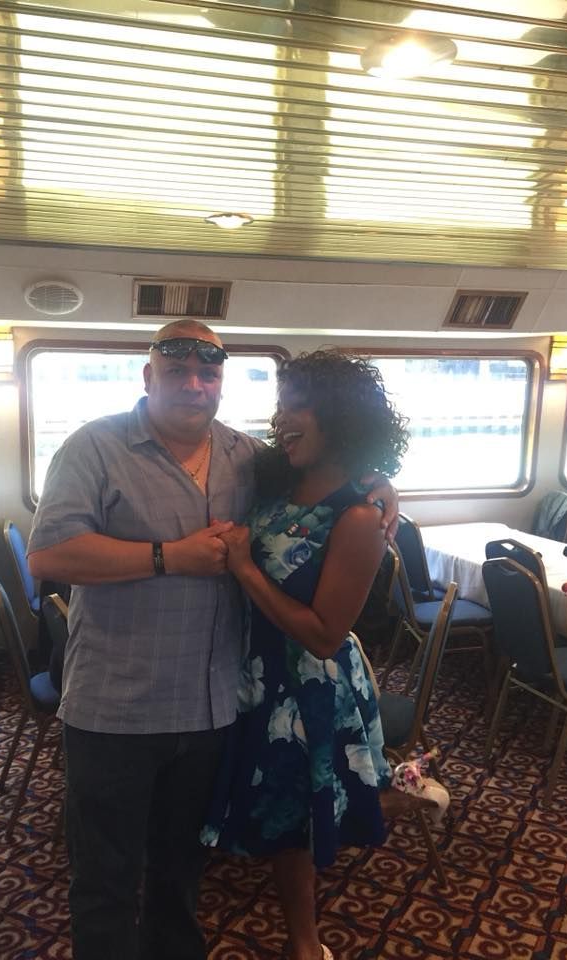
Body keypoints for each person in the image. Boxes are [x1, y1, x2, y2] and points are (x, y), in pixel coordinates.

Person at [26, 321, 398, 960]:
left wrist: (380, 484)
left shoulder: (249, 458)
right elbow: (51, 556)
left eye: (209, 373)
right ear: (148, 376)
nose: (194, 386)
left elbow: (332, 479)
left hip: (213, 706)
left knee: (180, 871)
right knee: (106, 877)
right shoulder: (93, 447)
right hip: (115, 706)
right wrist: (171, 556)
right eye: (177, 372)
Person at [200, 350, 411, 960]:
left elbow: (322, 634)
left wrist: (244, 569)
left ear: (340, 417)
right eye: (279, 404)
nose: (281, 419)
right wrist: (383, 476)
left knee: (296, 823)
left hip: (307, 684)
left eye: (297, 405)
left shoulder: (358, 518)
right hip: (256, 674)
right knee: (276, 813)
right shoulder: (278, 479)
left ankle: (306, 945)